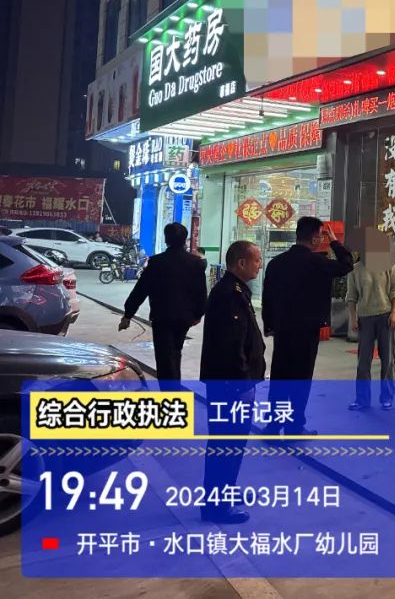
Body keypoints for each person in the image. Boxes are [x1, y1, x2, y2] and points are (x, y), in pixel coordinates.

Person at [262, 217, 353, 434]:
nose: (322, 240)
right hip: (306, 331)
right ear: (314, 239)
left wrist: (269, 324)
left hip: (283, 330)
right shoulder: (318, 263)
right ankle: (294, 426)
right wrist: (335, 242)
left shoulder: (276, 263)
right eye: (321, 236)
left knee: (280, 377)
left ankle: (273, 425)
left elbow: (268, 297)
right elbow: (347, 264)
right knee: (301, 378)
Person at [199, 240, 265, 524]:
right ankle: (216, 505)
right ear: (241, 263)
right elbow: (231, 347)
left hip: (230, 385)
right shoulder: (230, 295)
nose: (260, 265)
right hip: (231, 387)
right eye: (256, 260)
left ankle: (224, 490)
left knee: (230, 444)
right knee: (227, 444)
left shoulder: (235, 290)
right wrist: (242, 385)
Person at [119, 222, 207, 382]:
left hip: (162, 317)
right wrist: (198, 315)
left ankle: (170, 392)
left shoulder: (156, 262)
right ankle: (174, 388)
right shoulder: (196, 263)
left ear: (166, 239)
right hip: (184, 318)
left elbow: (141, 290)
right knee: (175, 353)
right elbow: (201, 292)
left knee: (165, 358)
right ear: (185, 240)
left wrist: (128, 314)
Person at [346, 229, 395, 411]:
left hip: (385, 316)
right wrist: (353, 318)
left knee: (387, 359)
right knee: (363, 360)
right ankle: (362, 399)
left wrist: (394, 313)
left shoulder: (387, 265)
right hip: (365, 318)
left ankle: (387, 397)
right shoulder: (355, 270)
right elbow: (351, 297)